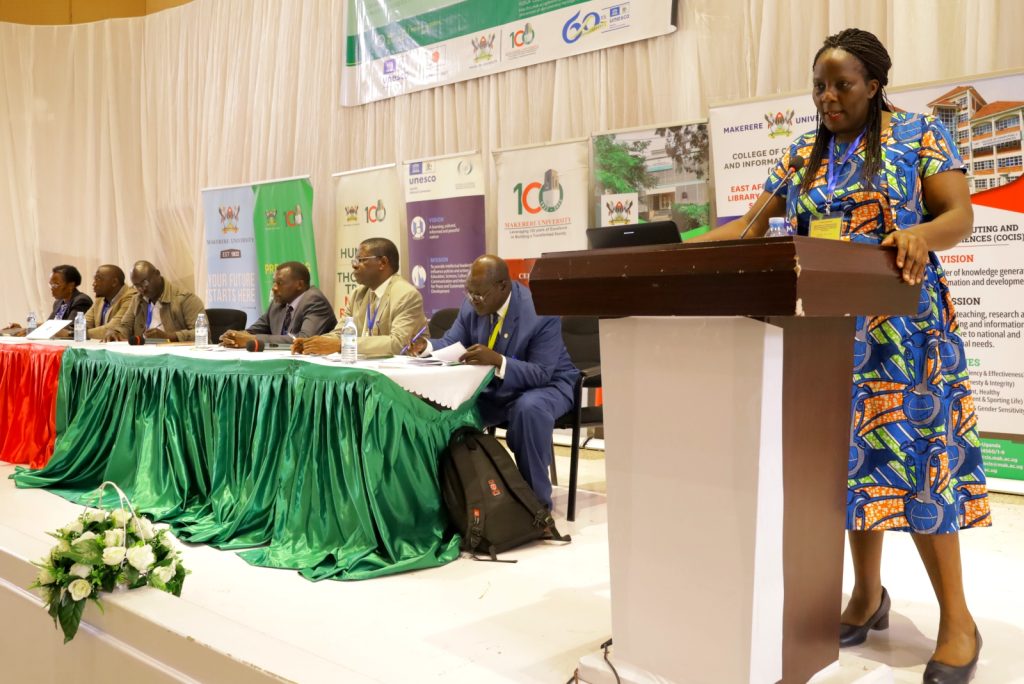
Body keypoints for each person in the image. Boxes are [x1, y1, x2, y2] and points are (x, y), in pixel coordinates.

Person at [693, 28, 988, 683]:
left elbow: (959, 215)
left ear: (875, 85)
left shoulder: (920, 136)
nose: (828, 97)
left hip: (905, 335)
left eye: (843, 85)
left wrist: (917, 232)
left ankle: (959, 620)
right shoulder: (805, 152)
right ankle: (866, 594)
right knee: (848, 469)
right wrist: (683, 246)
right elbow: (750, 228)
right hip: (826, 334)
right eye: (820, 85)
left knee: (919, 465)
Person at [410, 255, 578, 510]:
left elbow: (542, 373)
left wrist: (498, 361)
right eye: (469, 292)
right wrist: (426, 347)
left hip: (549, 386)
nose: (473, 300)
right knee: (446, 407)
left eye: (479, 294)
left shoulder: (540, 311)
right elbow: (453, 343)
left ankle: (535, 506)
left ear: (502, 286)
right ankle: (453, 498)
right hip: (496, 387)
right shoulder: (473, 306)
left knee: (529, 409)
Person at [292, 238, 426, 356]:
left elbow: (398, 343)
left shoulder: (406, 295)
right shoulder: (358, 293)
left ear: (382, 263)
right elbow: (340, 333)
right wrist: (312, 343)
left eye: (361, 260)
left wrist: (344, 345)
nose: (354, 265)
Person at [220, 261, 336, 348]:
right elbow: (253, 331)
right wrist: (234, 336)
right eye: (274, 282)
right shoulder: (277, 303)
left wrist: (252, 339)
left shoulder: (314, 300)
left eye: (279, 283)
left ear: (299, 285)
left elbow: (304, 340)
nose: (274, 288)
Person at [107, 260, 206, 342]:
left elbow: (204, 333)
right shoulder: (137, 299)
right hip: (146, 354)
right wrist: (114, 332)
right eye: (137, 286)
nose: (142, 289)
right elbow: (125, 326)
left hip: (175, 357)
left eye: (145, 283)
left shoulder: (185, 299)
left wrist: (168, 336)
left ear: (157, 274)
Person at [6, 265, 93, 337]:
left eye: (55, 285)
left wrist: (38, 327)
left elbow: (71, 329)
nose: (51, 288)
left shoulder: (81, 300)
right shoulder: (58, 303)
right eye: (50, 284)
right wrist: (24, 329)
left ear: (71, 285)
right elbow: (49, 325)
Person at [83, 264, 134, 340]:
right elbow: (84, 323)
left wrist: (76, 333)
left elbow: (112, 329)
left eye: (98, 279)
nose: (93, 284)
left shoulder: (131, 297)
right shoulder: (100, 298)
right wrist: (76, 330)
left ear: (114, 282)